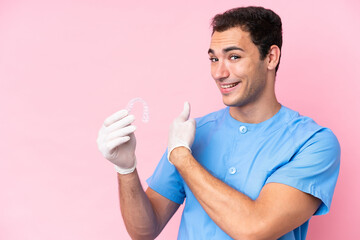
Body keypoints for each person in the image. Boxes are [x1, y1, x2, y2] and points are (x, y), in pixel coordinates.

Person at [97, 6, 340, 240]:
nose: (218, 73)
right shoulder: (194, 133)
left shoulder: (313, 143)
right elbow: (144, 231)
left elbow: (255, 228)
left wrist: (182, 157)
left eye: (234, 57)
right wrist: (126, 168)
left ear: (271, 57)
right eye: (214, 59)